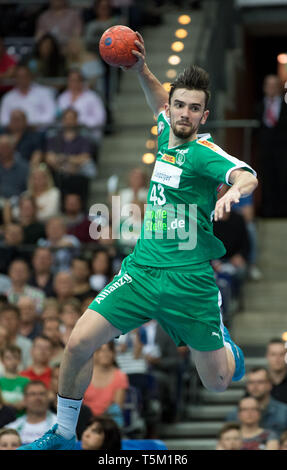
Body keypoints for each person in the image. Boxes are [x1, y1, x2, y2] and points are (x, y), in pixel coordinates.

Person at [17, 32, 258, 450]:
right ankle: (63, 432)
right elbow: (157, 101)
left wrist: (235, 191)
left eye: (193, 109)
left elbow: (245, 174)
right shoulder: (166, 128)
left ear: (204, 116)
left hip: (189, 282)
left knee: (218, 383)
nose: (183, 113)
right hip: (143, 271)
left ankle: (226, 345)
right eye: (179, 104)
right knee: (77, 343)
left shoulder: (204, 152)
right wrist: (140, 69)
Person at [255, 74, 287, 217]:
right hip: (265, 149)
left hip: (283, 149)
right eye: (268, 85)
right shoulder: (259, 106)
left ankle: (283, 209)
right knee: (267, 179)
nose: (271, 88)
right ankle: (269, 210)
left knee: (283, 178)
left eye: (274, 85)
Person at [226, 367, 287, 438]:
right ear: (247, 386)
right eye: (251, 382)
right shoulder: (235, 414)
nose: (255, 386)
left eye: (260, 382)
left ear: (270, 385)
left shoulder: (284, 412)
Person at [83, 341, 129, 428]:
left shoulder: (120, 376)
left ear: (114, 353)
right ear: (95, 353)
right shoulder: (85, 374)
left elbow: (117, 407)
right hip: (85, 420)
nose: (105, 354)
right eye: (102, 350)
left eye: (109, 350)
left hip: (108, 421)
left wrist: (98, 422)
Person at [57, 69, 106, 142]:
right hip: (65, 134)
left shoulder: (92, 97)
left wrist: (77, 122)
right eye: (71, 80)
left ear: (81, 81)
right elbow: (57, 117)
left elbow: (100, 119)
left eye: (76, 80)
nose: (74, 83)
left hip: (87, 133)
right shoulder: (62, 98)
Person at [6, 380, 57, 445]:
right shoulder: (12, 429)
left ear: (47, 398)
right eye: (33, 394)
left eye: (42, 394)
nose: (38, 398)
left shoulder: (60, 427)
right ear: (24, 399)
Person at [0, 304, 32, 371]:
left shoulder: (27, 344)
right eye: (4, 318)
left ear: (18, 321)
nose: (8, 321)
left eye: (11, 318)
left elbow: (28, 368)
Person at [0, 344, 30, 414]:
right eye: (8, 358)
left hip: (22, 419)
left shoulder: (26, 381)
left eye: (15, 357)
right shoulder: (0, 381)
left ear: (19, 360)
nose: (12, 361)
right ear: (2, 360)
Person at [266, 338, 287, 404]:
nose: (277, 359)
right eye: (273, 354)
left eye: (282, 354)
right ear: (267, 356)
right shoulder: (258, 381)